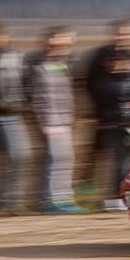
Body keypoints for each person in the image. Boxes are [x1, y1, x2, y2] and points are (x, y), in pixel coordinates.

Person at [84, 19, 130, 211]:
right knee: (112, 159)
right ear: (114, 34)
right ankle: (110, 198)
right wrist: (117, 88)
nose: (126, 37)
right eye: (122, 33)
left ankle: (126, 197)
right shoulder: (102, 56)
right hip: (111, 118)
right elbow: (93, 85)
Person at [26, 27, 85, 213]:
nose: (66, 45)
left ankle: (61, 198)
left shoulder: (64, 64)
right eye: (62, 41)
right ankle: (52, 200)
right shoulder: (36, 64)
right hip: (50, 121)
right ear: (49, 42)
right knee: (56, 160)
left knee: (65, 159)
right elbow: (35, 96)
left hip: (64, 119)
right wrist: (44, 123)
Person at [0, 19, 31, 215]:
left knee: (19, 157)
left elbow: (28, 83)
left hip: (13, 115)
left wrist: (24, 105)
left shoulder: (16, 57)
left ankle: (12, 203)